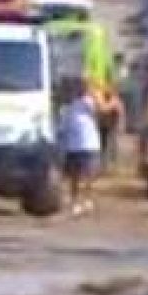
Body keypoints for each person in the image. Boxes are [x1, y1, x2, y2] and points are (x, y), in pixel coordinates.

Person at [56, 77, 102, 215]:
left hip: (89, 144)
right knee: (74, 177)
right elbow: (61, 129)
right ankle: (75, 202)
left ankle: (87, 200)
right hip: (73, 147)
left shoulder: (86, 103)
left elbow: (99, 108)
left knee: (89, 176)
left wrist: (92, 90)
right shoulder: (66, 108)